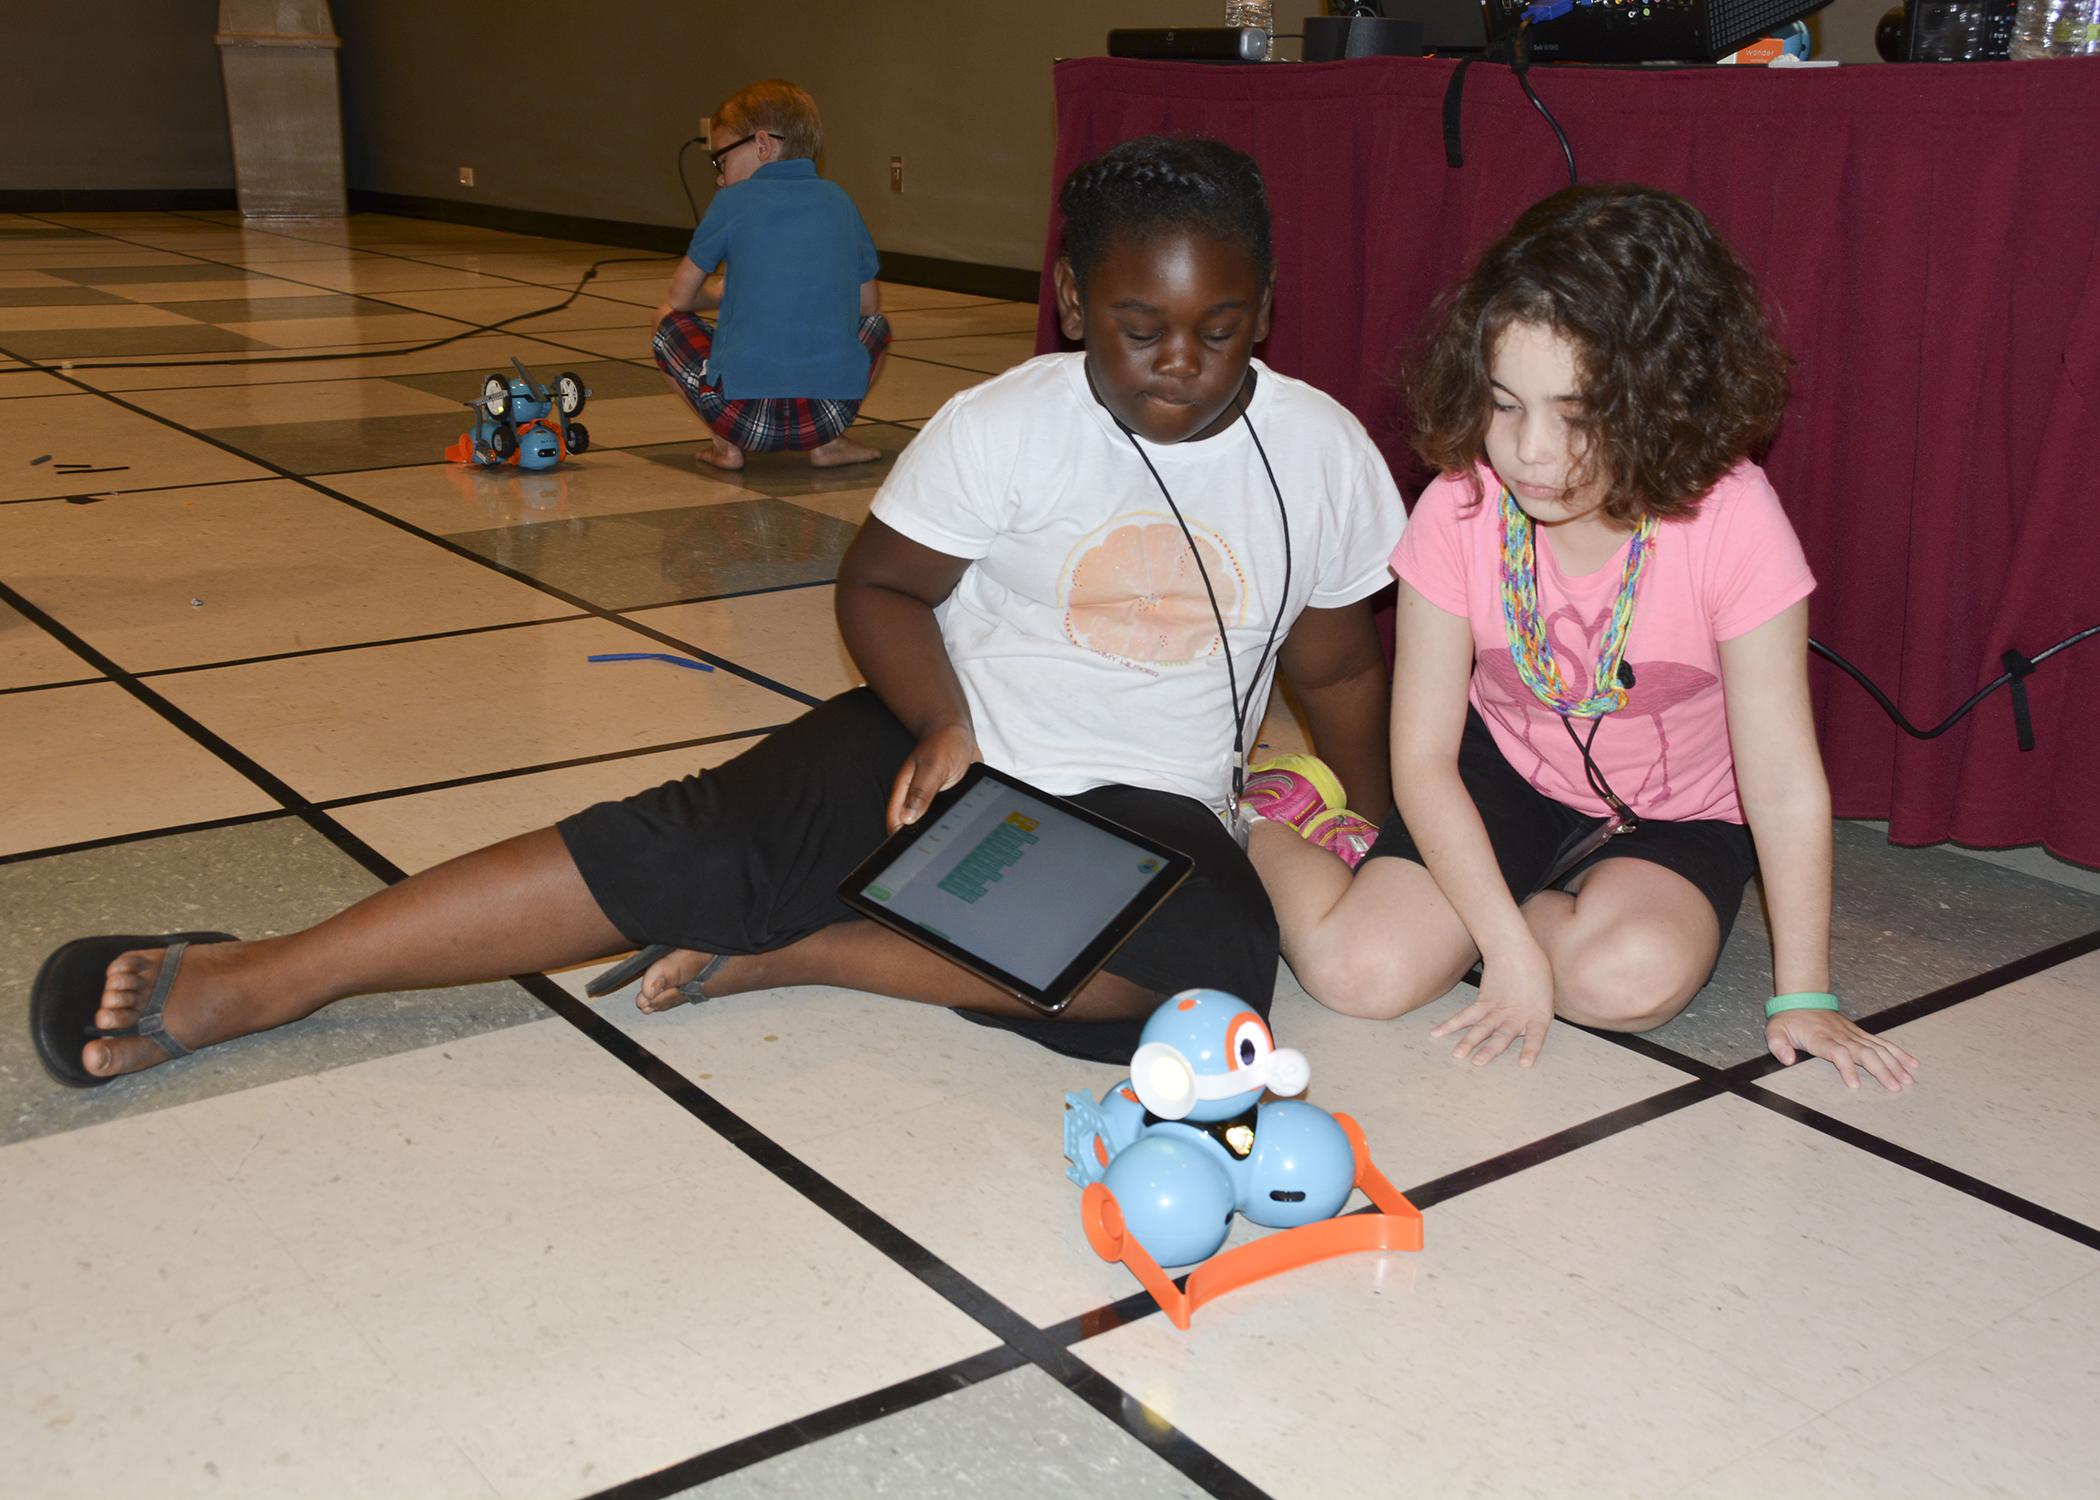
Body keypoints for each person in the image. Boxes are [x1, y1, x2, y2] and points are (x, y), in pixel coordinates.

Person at [32, 135, 1404, 1085]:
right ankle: (274, 975)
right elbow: (881, 584)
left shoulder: (1325, 453)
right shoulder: (1006, 427)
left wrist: (1397, 823)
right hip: (957, 746)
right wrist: (936, 722)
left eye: (1220, 328)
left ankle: (820, 953)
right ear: (1068, 305)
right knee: (683, 847)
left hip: (1145, 802)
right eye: (1136, 326)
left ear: (1265, 309)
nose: (1179, 363)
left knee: (1206, 981)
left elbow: (1337, 665)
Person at [1250, 184, 1920, 1092]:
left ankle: (1477, 911)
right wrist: (1511, 954)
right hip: (1504, 779)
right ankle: (1258, 820)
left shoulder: (1734, 516)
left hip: (1677, 816)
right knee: (1360, 977)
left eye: (1576, 413)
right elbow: (1422, 760)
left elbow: (1783, 778)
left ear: (1663, 400)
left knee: (1632, 980)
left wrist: (1801, 992)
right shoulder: (1461, 503)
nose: (1531, 451)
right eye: (1506, 404)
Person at [653, 79, 889, 472]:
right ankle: (830, 445)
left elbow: (680, 298)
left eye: (721, 160)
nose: (719, 176)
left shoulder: (730, 202)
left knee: (663, 319)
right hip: (825, 414)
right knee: (877, 326)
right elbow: (869, 305)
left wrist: (719, 294)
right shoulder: (840, 201)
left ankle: (725, 447)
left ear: (763, 145)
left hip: (742, 418)